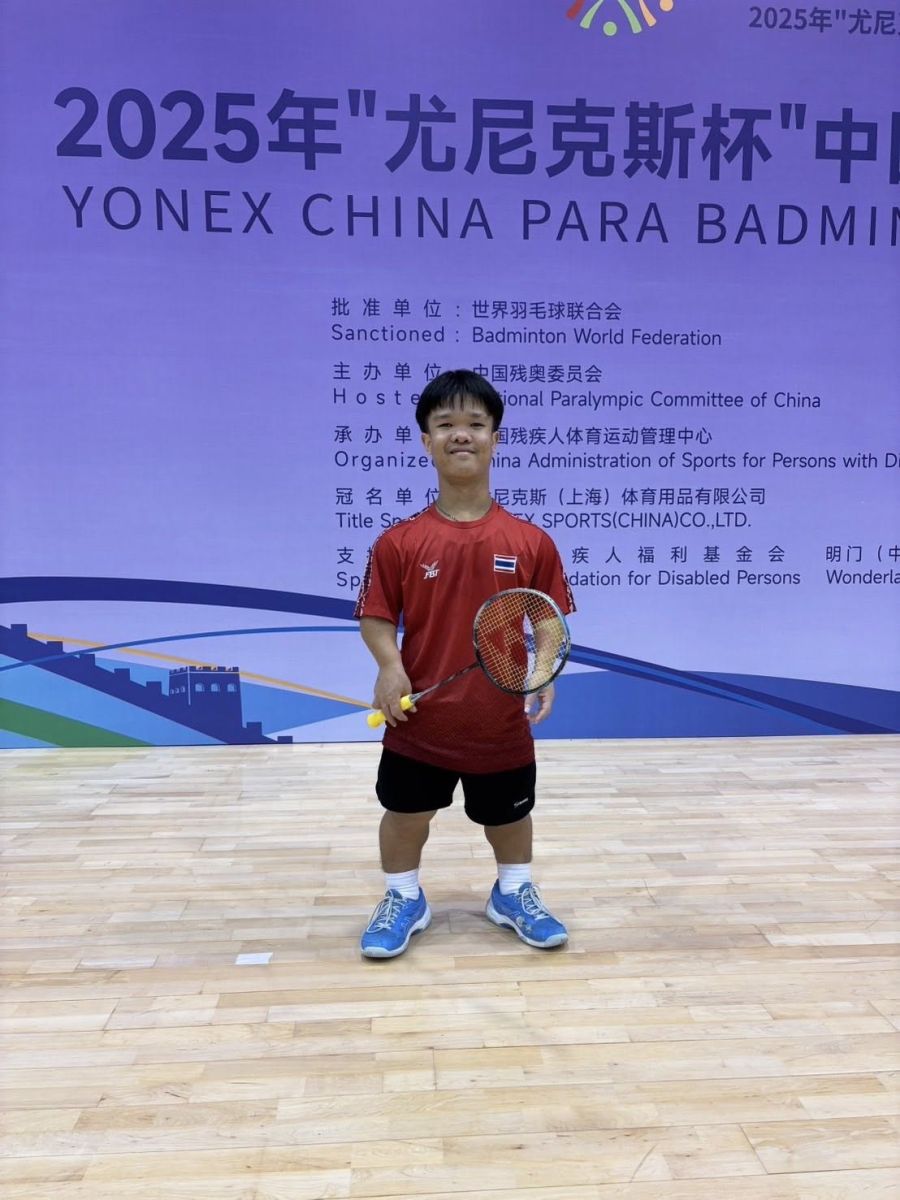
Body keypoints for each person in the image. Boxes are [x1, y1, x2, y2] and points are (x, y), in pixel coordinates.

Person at [354, 369, 575, 958]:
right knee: (405, 814)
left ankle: (513, 892)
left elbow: (547, 619)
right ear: (425, 441)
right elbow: (375, 615)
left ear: (495, 439)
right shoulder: (400, 542)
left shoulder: (530, 540)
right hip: (418, 716)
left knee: (509, 818)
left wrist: (544, 668)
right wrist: (389, 666)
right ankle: (403, 897)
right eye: (446, 424)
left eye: (475, 424)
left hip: (498, 719)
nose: (461, 434)